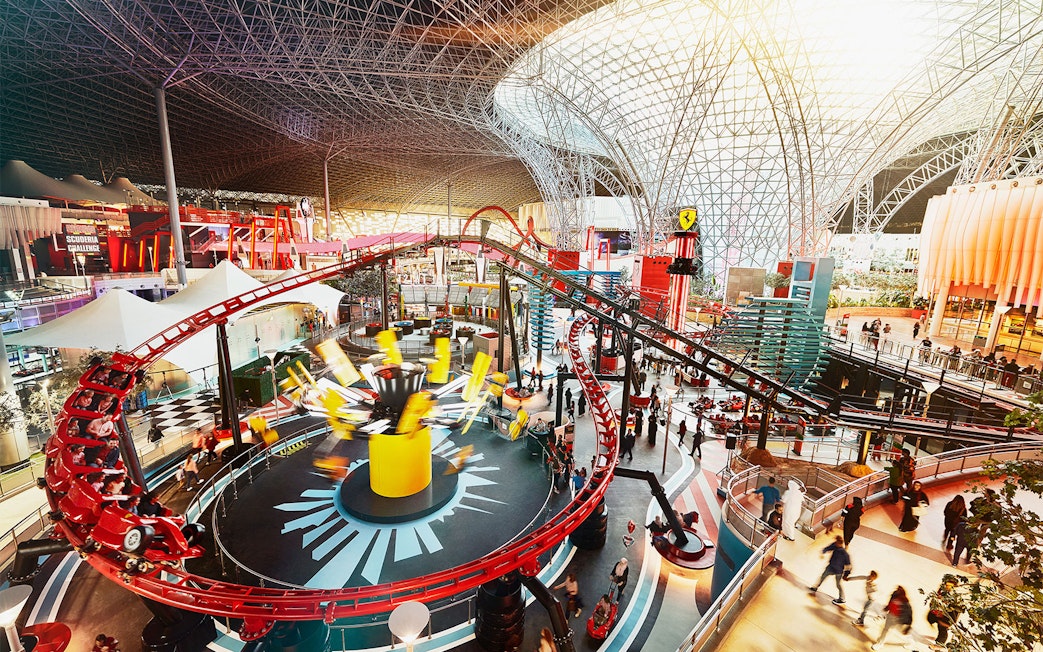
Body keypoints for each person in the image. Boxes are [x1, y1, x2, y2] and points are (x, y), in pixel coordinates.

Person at [808, 535, 851, 604]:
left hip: (838, 571)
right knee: (823, 576)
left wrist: (846, 574)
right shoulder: (835, 545)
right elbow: (828, 548)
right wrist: (823, 552)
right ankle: (815, 587)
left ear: (840, 543)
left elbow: (848, 565)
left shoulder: (845, 554)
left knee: (838, 584)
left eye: (837, 542)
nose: (835, 543)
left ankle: (842, 598)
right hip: (831, 567)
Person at [927, 575, 961, 648]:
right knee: (930, 618)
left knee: (942, 629)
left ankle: (939, 645)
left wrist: (949, 621)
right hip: (937, 612)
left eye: (950, 585)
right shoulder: (942, 590)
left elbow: (955, 610)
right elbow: (935, 598)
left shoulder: (955, 596)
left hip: (946, 616)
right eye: (947, 584)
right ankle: (938, 637)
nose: (947, 586)